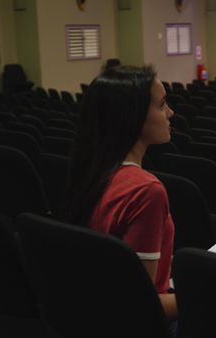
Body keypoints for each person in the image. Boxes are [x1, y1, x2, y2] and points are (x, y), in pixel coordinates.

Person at [66, 65, 178, 320]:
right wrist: (205, 296)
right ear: (133, 117)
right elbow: (141, 307)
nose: (170, 112)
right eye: (161, 105)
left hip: (98, 307)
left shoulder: (90, 172)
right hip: (145, 324)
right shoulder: (146, 191)